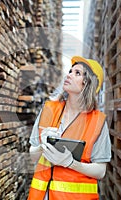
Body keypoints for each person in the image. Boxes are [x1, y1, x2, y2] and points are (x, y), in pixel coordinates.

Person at [27, 56, 111, 200]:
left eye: (77, 73)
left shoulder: (97, 122)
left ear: (87, 84)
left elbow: (100, 171)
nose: (69, 75)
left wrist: (70, 163)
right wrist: (43, 146)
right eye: (70, 71)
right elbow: (33, 155)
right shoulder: (49, 110)